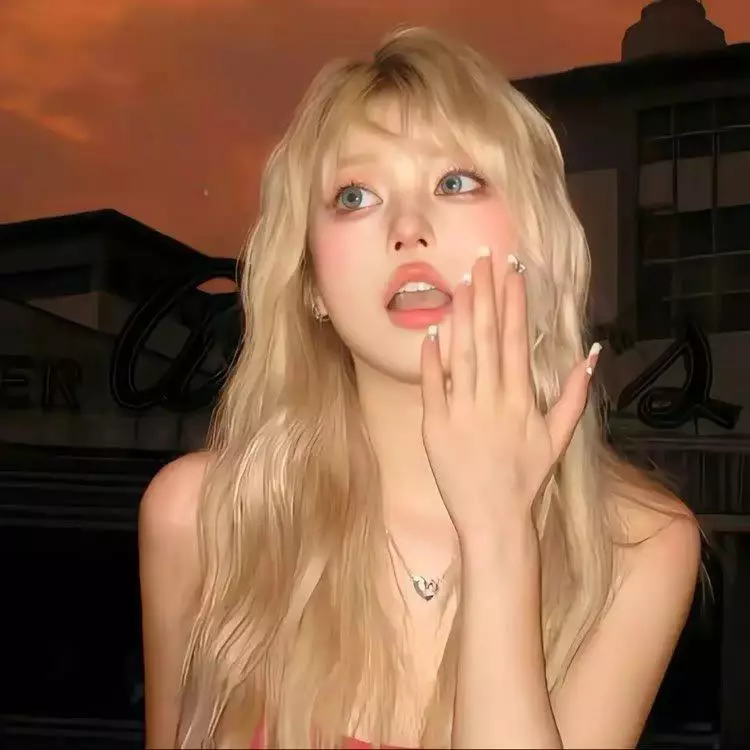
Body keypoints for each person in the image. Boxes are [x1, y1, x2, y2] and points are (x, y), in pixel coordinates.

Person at [138, 26, 701, 749]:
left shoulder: (637, 546)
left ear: (532, 241)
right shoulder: (202, 520)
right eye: (355, 196)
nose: (408, 228)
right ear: (311, 284)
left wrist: (498, 531)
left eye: (455, 182)